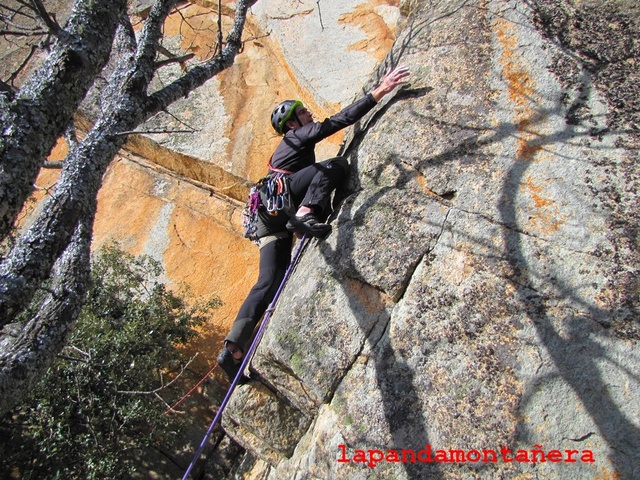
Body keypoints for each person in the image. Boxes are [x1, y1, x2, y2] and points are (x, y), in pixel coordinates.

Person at [217, 65, 411, 381]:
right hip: (284, 206)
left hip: (269, 220)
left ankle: (233, 349)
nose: (309, 115)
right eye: (303, 113)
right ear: (291, 123)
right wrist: (380, 91)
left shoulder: (289, 147)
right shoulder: (296, 135)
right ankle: (307, 213)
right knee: (334, 165)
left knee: (269, 281)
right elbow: (336, 122)